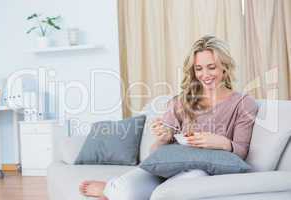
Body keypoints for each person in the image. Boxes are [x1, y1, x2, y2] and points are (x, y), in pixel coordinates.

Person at [79, 35, 259, 200]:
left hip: (201, 171)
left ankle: (127, 192)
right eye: (199, 69)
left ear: (225, 68)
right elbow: (155, 153)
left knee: (166, 194)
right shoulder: (181, 101)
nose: (205, 75)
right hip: (167, 167)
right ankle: (111, 188)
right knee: (125, 191)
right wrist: (163, 138)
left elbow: (241, 151)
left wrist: (220, 142)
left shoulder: (243, 104)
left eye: (211, 67)